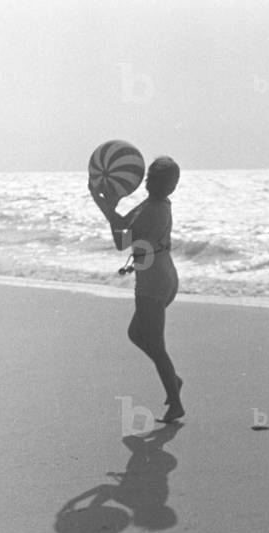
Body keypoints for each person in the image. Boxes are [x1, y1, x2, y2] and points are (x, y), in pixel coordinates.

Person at [88, 156, 184, 423]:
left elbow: (121, 239)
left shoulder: (152, 209)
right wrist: (109, 205)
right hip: (164, 275)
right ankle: (173, 379)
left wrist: (103, 204)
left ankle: (175, 401)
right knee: (136, 334)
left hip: (152, 282)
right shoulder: (157, 204)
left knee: (156, 344)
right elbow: (124, 223)